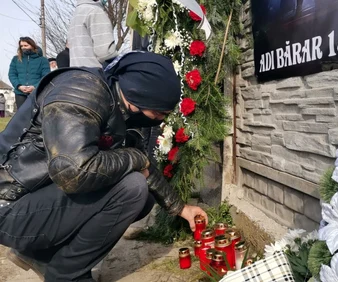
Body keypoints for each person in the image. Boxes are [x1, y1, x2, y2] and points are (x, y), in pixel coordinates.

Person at [0, 52, 207, 281]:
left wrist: (181, 208)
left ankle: (42, 253)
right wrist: (135, 159)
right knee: (133, 187)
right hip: (10, 203)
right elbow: (72, 171)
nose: (161, 120)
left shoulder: (122, 105)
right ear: (140, 95)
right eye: (160, 112)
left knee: (143, 195)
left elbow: (144, 165)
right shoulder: (80, 92)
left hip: (38, 196)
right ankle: (66, 274)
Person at [68, 0, 118, 68]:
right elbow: (105, 53)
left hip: (77, 72)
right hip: (95, 72)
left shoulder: (77, 13)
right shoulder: (95, 11)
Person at [8, 37, 50, 109]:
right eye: (21, 46)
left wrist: (35, 87)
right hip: (20, 92)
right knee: (22, 116)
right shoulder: (16, 59)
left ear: (32, 45)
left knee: (36, 115)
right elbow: (12, 74)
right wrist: (19, 86)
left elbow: (46, 76)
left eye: (26, 45)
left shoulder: (43, 60)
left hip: (37, 92)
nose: (23, 48)